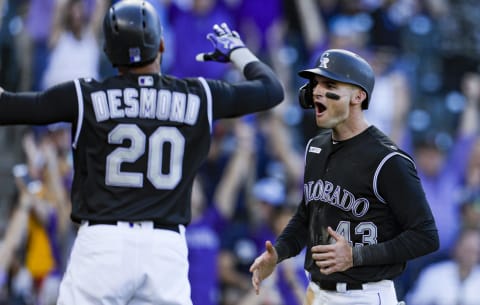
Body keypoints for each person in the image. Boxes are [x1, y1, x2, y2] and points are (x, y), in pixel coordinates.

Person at [0, 1, 284, 304]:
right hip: (164, 249)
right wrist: (236, 51)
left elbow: (8, 106)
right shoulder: (198, 94)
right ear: (161, 44)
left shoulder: (85, 95)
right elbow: (271, 89)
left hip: (103, 244)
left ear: (108, 51)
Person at [249, 48, 439, 305]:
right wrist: (279, 252)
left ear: (358, 96)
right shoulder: (315, 147)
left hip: (365, 295)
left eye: (329, 84)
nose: (316, 90)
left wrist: (357, 256)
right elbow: (307, 215)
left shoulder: (387, 160)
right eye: (315, 83)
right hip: (316, 293)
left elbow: (426, 236)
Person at [405, 227, 480, 305]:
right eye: (467, 250)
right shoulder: (433, 273)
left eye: (474, 251)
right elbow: (414, 301)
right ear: (456, 248)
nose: (469, 256)